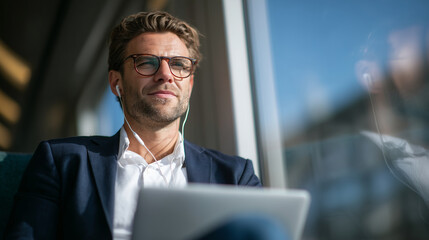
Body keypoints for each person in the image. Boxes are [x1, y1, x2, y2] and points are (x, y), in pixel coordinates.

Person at [4, 11, 267, 240]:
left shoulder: (236, 176)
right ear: (116, 82)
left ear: (190, 83)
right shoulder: (61, 162)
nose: (166, 74)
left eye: (178, 64)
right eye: (146, 62)